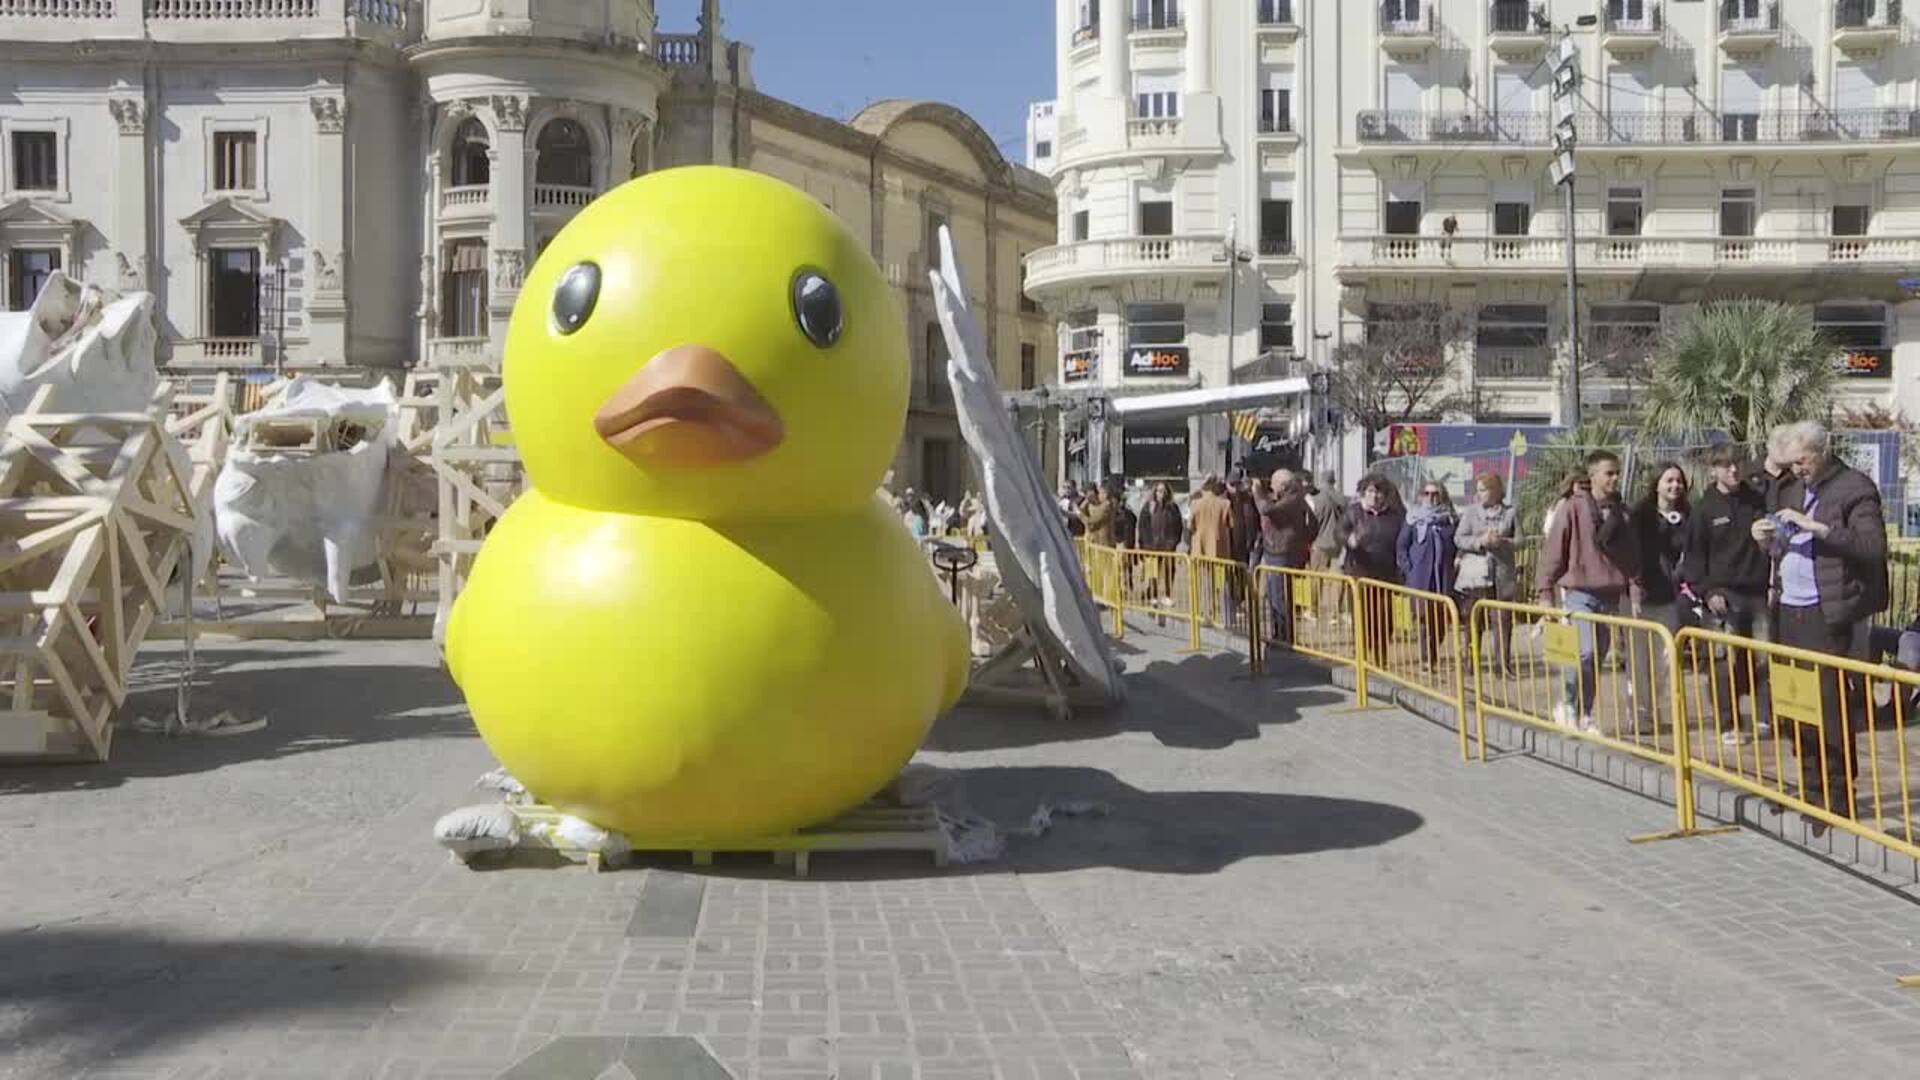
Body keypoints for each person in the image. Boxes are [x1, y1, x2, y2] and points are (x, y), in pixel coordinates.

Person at [1752, 420, 1889, 823]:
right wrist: (1765, 539)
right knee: (1797, 703)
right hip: (1788, 608)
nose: (1797, 470)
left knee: (1830, 705)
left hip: (1826, 612)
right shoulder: (1792, 488)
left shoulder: (1854, 488)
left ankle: (1837, 793)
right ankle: (1808, 787)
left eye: (1802, 461)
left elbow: (1871, 546)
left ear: (1822, 450)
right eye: (1790, 464)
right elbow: (1780, 546)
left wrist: (1819, 527)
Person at [1536, 450, 1642, 733]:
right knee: (1583, 651)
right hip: (1579, 593)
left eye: (1617, 472)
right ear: (1592, 475)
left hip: (1610, 595)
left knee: (1597, 658)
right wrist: (1544, 592)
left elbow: (1632, 558)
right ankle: (1569, 703)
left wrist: (1634, 593)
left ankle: (1586, 712)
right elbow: (1553, 551)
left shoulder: (1622, 513)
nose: (1615, 478)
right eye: (1609, 473)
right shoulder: (1572, 508)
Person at [1681, 445, 1776, 746]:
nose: (1733, 470)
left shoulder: (1756, 499)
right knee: (1724, 663)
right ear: (1713, 470)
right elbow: (1694, 560)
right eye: (1725, 466)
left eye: (1736, 464)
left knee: (1763, 659)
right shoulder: (1704, 509)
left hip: (1757, 593)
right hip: (1722, 597)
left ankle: (1764, 717)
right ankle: (1728, 723)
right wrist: (1708, 593)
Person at [1629, 461, 1692, 736]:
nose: (1674, 486)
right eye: (1669, 480)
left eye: (1679, 481)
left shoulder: (1688, 515)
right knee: (1638, 660)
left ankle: (1656, 708)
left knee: (1665, 660)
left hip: (1669, 596)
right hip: (1640, 596)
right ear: (1656, 483)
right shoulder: (1639, 515)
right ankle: (1640, 715)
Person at [1455, 472, 1519, 674]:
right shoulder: (1471, 512)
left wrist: (1503, 542)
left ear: (1495, 490)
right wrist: (1479, 542)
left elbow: (1521, 540)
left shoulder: (1510, 513)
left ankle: (1503, 665)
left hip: (1501, 575)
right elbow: (1459, 538)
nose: (1480, 494)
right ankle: (1470, 662)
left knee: (1502, 620)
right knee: (1474, 618)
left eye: (1483, 489)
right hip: (1477, 576)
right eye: (1478, 490)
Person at [1345, 475, 1407, 666]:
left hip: (1385, 575)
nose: (1375, 496)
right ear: (1364, 493)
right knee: (1362, 617)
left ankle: (1381, 658)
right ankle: (1362, 656)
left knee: (1384, 619)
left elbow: (1403, 542)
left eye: (1379, 492)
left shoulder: (1396, 516)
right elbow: (1339, 531)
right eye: (1371, 491)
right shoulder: (1354, 512)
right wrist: (1350, 540)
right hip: (1359, 574)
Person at [1398, 481, 1459, 672]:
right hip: (1420, 577)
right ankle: (1426, 660)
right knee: (1424, 619)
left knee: (1440, 620)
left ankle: (1434, 651)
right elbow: (1401, 545)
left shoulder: (1449, 520)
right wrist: (1409, 568)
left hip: (1443, 577)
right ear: (1420, 496)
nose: (1431, 497)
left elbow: (1457, 544)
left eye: (1435, 494)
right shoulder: (1413, 519)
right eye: (1427, 493)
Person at [1258, 470, 1317, 645]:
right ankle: (1279, 634)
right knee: (1275, 595)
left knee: (1280, 596)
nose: (1271, 487)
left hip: (1282, 552)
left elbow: (1266, 509)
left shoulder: (1293, 498)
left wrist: (1257, 493)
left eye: (1274, 484)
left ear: (1283, 485)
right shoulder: (1294, 498)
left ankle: (1284, 637)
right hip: (1278, 550)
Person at [1188, 475, 1236, 624]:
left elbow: (1190, 526)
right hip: (1220, 548)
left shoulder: (1195, 504)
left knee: (1205, 583)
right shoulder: (1225, 504)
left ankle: (1207, 614)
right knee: (1222, 583)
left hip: (1200, 548)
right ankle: (1226, 617)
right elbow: (1231, 524)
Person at [1137, 480, 1185, 612]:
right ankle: (1153, 595)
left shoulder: (1173, 508)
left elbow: (1178, 526)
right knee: (1153, 573)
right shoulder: (1148, 507)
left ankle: (1168, 595)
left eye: (1163, 491)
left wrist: (1174, 542)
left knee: (1169, 570)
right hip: (1152, 546)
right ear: (1155, 492)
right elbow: (1143, 526)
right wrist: (1145, 543)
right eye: (1159, 491)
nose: (1161, 494)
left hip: (1168, 547)